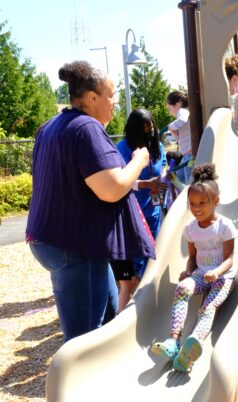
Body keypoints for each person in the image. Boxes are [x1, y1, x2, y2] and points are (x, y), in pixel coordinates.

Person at [26, 61, 155, 342]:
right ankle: (79, 384)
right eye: (111, 96)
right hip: (74, 247)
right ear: (93, 97)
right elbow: (112, 188)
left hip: (56, 240)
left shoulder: (51, 126)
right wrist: (138, 160)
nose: (115, 103)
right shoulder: (86, 128)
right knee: (84, 338)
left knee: (109, 320)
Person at [151, 163, 237, 372]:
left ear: (215, 201)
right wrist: (188, 273)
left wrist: (216, 272)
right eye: (192, 203)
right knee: (182, 288)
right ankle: (174, 341)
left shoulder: (225, 226)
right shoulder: (190, 229)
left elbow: (230, 259)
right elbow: (192, 257)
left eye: (202, 203)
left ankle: (191, 350)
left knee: (207, 308)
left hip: (223, 278)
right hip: (201, 275)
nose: (196, 208)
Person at [117, 109, 166, 279]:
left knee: (155, 250)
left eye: (151, 130)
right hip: (134, 210)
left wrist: (162, 179)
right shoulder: (123, 148)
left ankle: (151, 282)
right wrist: (145, 184)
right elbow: (121, 180)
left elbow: (163, 166)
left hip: (154, 207)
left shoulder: (157, 146)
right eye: (144, 132)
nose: (149, 135)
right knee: (138, 254)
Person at [166, 91, 193, 184]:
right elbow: (179, 138)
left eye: (170, 109)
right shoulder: (181, 119)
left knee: (188, 182)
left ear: (177, 105)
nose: (170, 112)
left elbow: (183, 119)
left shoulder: (183, 111)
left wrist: (171, 126)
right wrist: (172, 131)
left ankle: (188, 196)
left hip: (190, 155)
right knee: (179, 176)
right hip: (186, 155)